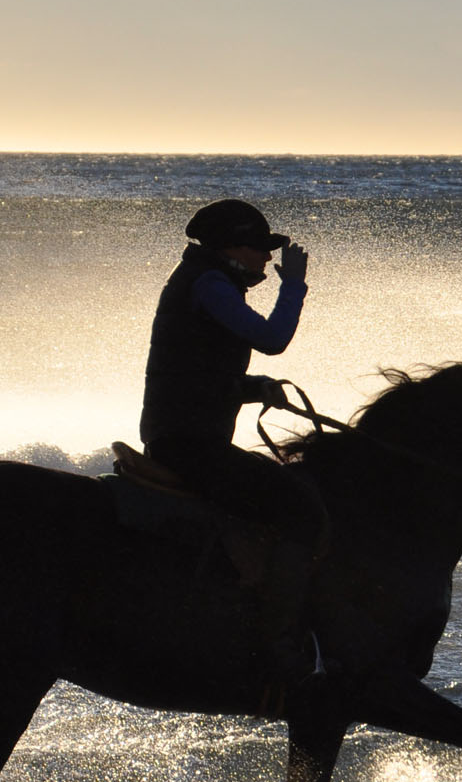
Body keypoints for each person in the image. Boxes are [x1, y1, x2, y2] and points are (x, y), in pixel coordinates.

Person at [139, 198, 329, 677]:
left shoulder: (210, 282)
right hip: (188, 444)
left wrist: (252, 387)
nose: (267, 258)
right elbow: (272, 339)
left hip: (185, 436)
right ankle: (277, 644)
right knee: (301, 509)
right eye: (259, 249)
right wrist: (295, 285)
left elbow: (196, 372)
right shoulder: (210, 285)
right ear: (232, 248)